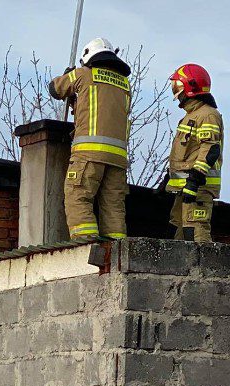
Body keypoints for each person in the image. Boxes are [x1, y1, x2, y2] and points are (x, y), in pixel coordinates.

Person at [48, 38, 132, 243]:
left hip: (88, 154)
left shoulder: (84, 74)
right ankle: (117, 251)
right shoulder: (124, 84)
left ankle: (85, 246)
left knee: (78, 197)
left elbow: (55, 89)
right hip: (118, 159)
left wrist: (68, 74)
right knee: (113, 207)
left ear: (88, 57)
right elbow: (97, 108)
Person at [166, 63, 224, 241]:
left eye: (178, 87)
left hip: (198, 187)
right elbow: (187, 152)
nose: (176, 93)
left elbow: (210, 148)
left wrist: (194, 180)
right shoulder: (191, 116)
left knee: (196, 232)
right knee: (178, 230)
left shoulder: (207, 115)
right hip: (185, 187)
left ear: (191, 87)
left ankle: (202, 261)